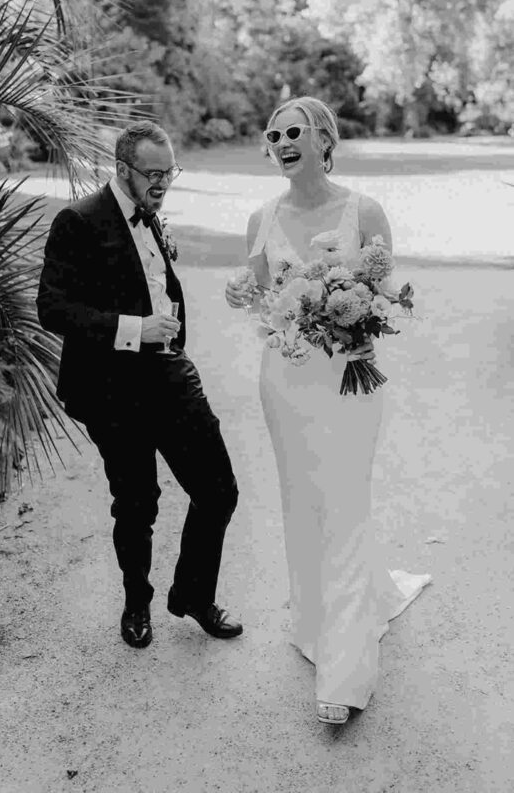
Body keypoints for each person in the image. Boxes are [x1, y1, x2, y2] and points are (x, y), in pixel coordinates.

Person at [226, 97, 430, 725]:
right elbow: (261, 304)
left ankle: (344, 672)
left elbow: (386, 295)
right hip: (285, 385)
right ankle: (316, 619)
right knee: (303, 503)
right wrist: (248, 300)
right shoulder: (261, 217)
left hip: (349, 386)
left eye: (293, 131)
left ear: (324, 139)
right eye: (272, 135)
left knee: (344, 506)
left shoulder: (363, 211)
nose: (281, 142)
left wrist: (361, 323)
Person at [38, 120, 242, 650]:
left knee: (218, 491)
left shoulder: (151, 214)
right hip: (110, 388)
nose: (163, 182)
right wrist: (135, 329)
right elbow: (53, 309)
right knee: (137, 503)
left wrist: (166, 332)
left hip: (169, 374)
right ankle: (137, 604)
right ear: (122, 169)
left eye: (169, 170)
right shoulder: (78, 221)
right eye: (153, 173)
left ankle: (193, 596)